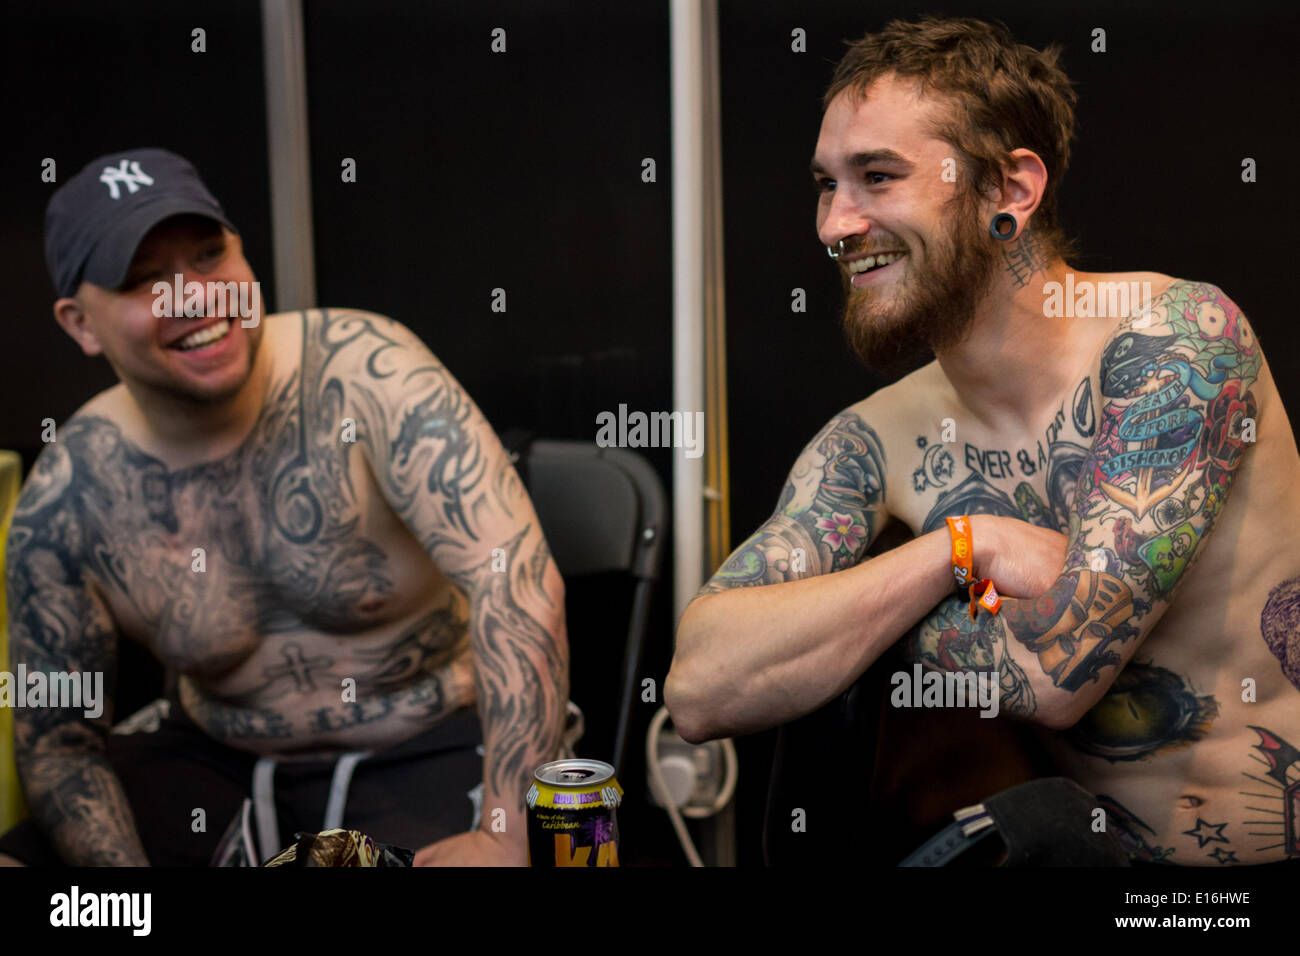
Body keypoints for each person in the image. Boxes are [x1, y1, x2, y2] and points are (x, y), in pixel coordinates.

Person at [666, 17, 1300, 866]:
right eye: (827, 185)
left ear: (1009, 190)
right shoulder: (871, 440)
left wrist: (852, 629)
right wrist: (962, 549)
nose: (835, 225)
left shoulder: (1176, 341)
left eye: (877, 177)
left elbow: (1057, 676)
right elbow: (700, 685)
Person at [0, 148, 568, 866]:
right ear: (81, 323)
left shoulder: (369, 374)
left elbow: (515, 579)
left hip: (426, 738)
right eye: (146, 280)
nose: (197, 297)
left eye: (209, 257)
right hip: (217, 757)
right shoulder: (70, 496)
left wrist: (508, 830)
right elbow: (58, 743)